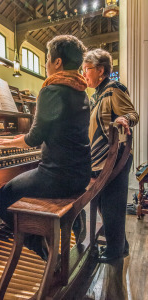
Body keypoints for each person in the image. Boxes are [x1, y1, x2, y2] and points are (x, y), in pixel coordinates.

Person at [0, 35, 91, 260]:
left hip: (56, 176)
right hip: (81, 174)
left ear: (57, 63)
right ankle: (71, 218)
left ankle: (40, 245)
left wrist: (8, 142)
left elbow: (34, 139)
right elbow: (58, 132)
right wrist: (22, 137)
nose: (46, 64)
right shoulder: (82, 91)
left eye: (47, 59)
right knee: (18, 182)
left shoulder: (51, 90)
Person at [83, 49, 139, 263]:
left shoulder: (113, 89)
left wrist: (124, 118)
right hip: (100, 158)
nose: (84, 73)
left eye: (87, 69)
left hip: (115, 158)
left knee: (112, 204)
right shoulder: (97, 94)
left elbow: (133, 114)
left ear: (101, 70)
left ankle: (115, 252)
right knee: (102, 203)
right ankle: (120, 245)